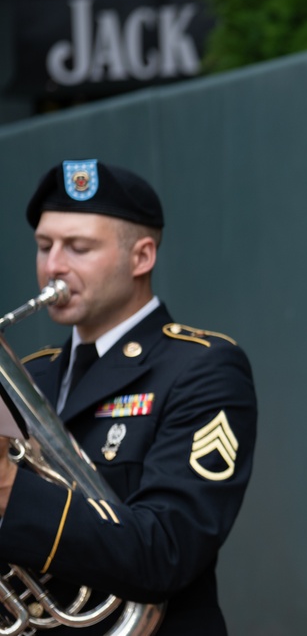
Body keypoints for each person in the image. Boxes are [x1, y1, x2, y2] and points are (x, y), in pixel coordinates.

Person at [0, 160, 258, 635]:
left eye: (79, 248)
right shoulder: (30, 374)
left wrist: (9, 488)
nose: (54, 264)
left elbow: (166, 552)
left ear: (141, 257)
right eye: (44, 246)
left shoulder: (201, 368)